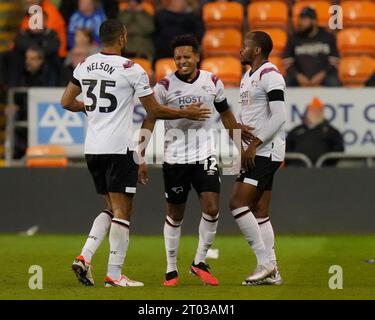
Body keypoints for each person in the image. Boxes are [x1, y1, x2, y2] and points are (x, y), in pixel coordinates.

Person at [60, 19, 211, 287]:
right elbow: (154, 110)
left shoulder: (84, 65)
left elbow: (66, 101)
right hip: (118, 148)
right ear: (123, 37)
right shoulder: (132, 69)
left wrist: (92, 109)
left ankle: (85, 256)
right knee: (122, 213)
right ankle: (115, 275)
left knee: (110, 208)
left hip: (93, 148)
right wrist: (186, 112)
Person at [138, 34, 252, 286]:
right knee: (175, 215)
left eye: (186, 56)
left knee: (212, 208)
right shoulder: (164, 86)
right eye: (177, 57)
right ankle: (170, 268)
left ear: (197, 57)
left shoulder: (212, 81)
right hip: (175, 158)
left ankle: (198, 262)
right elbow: (150, 118)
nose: (182, 61)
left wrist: (239, 149)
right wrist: (141, 154)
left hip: (205, 155)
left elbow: (226, 116)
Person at [230, 31, 286, 285]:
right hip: (256, 150)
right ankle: (272, 273)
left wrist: (254, 144)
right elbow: (254, 115)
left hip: (265, 150)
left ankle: (266, 264)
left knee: (238, 204)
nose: (241, 49)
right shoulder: (247, 77)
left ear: (257, 50)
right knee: (260, 210)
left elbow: (279, 116)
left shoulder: (270, 74)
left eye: (245, 46)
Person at [282, 7, 341, 87]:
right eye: (300, 19)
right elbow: (287, 62)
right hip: (299, 77)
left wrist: (321, 75)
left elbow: (334, 61)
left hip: (324, 76)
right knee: (284, 83)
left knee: (333, 82)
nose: (300, 23)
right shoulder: (294, 38)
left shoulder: (327, 37)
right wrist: (299, 76)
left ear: (314, 21)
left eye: (304, 19)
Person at [286, 97, 344, 166]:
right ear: (308, 111)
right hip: (297, 169)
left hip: (323, 170)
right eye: (313, 110)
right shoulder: (296, 131)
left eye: (319, 110)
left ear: (322, 112)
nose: (316, 112)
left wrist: (326, 163)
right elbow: (286, 148)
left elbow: (338, 150)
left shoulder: (331, 131)